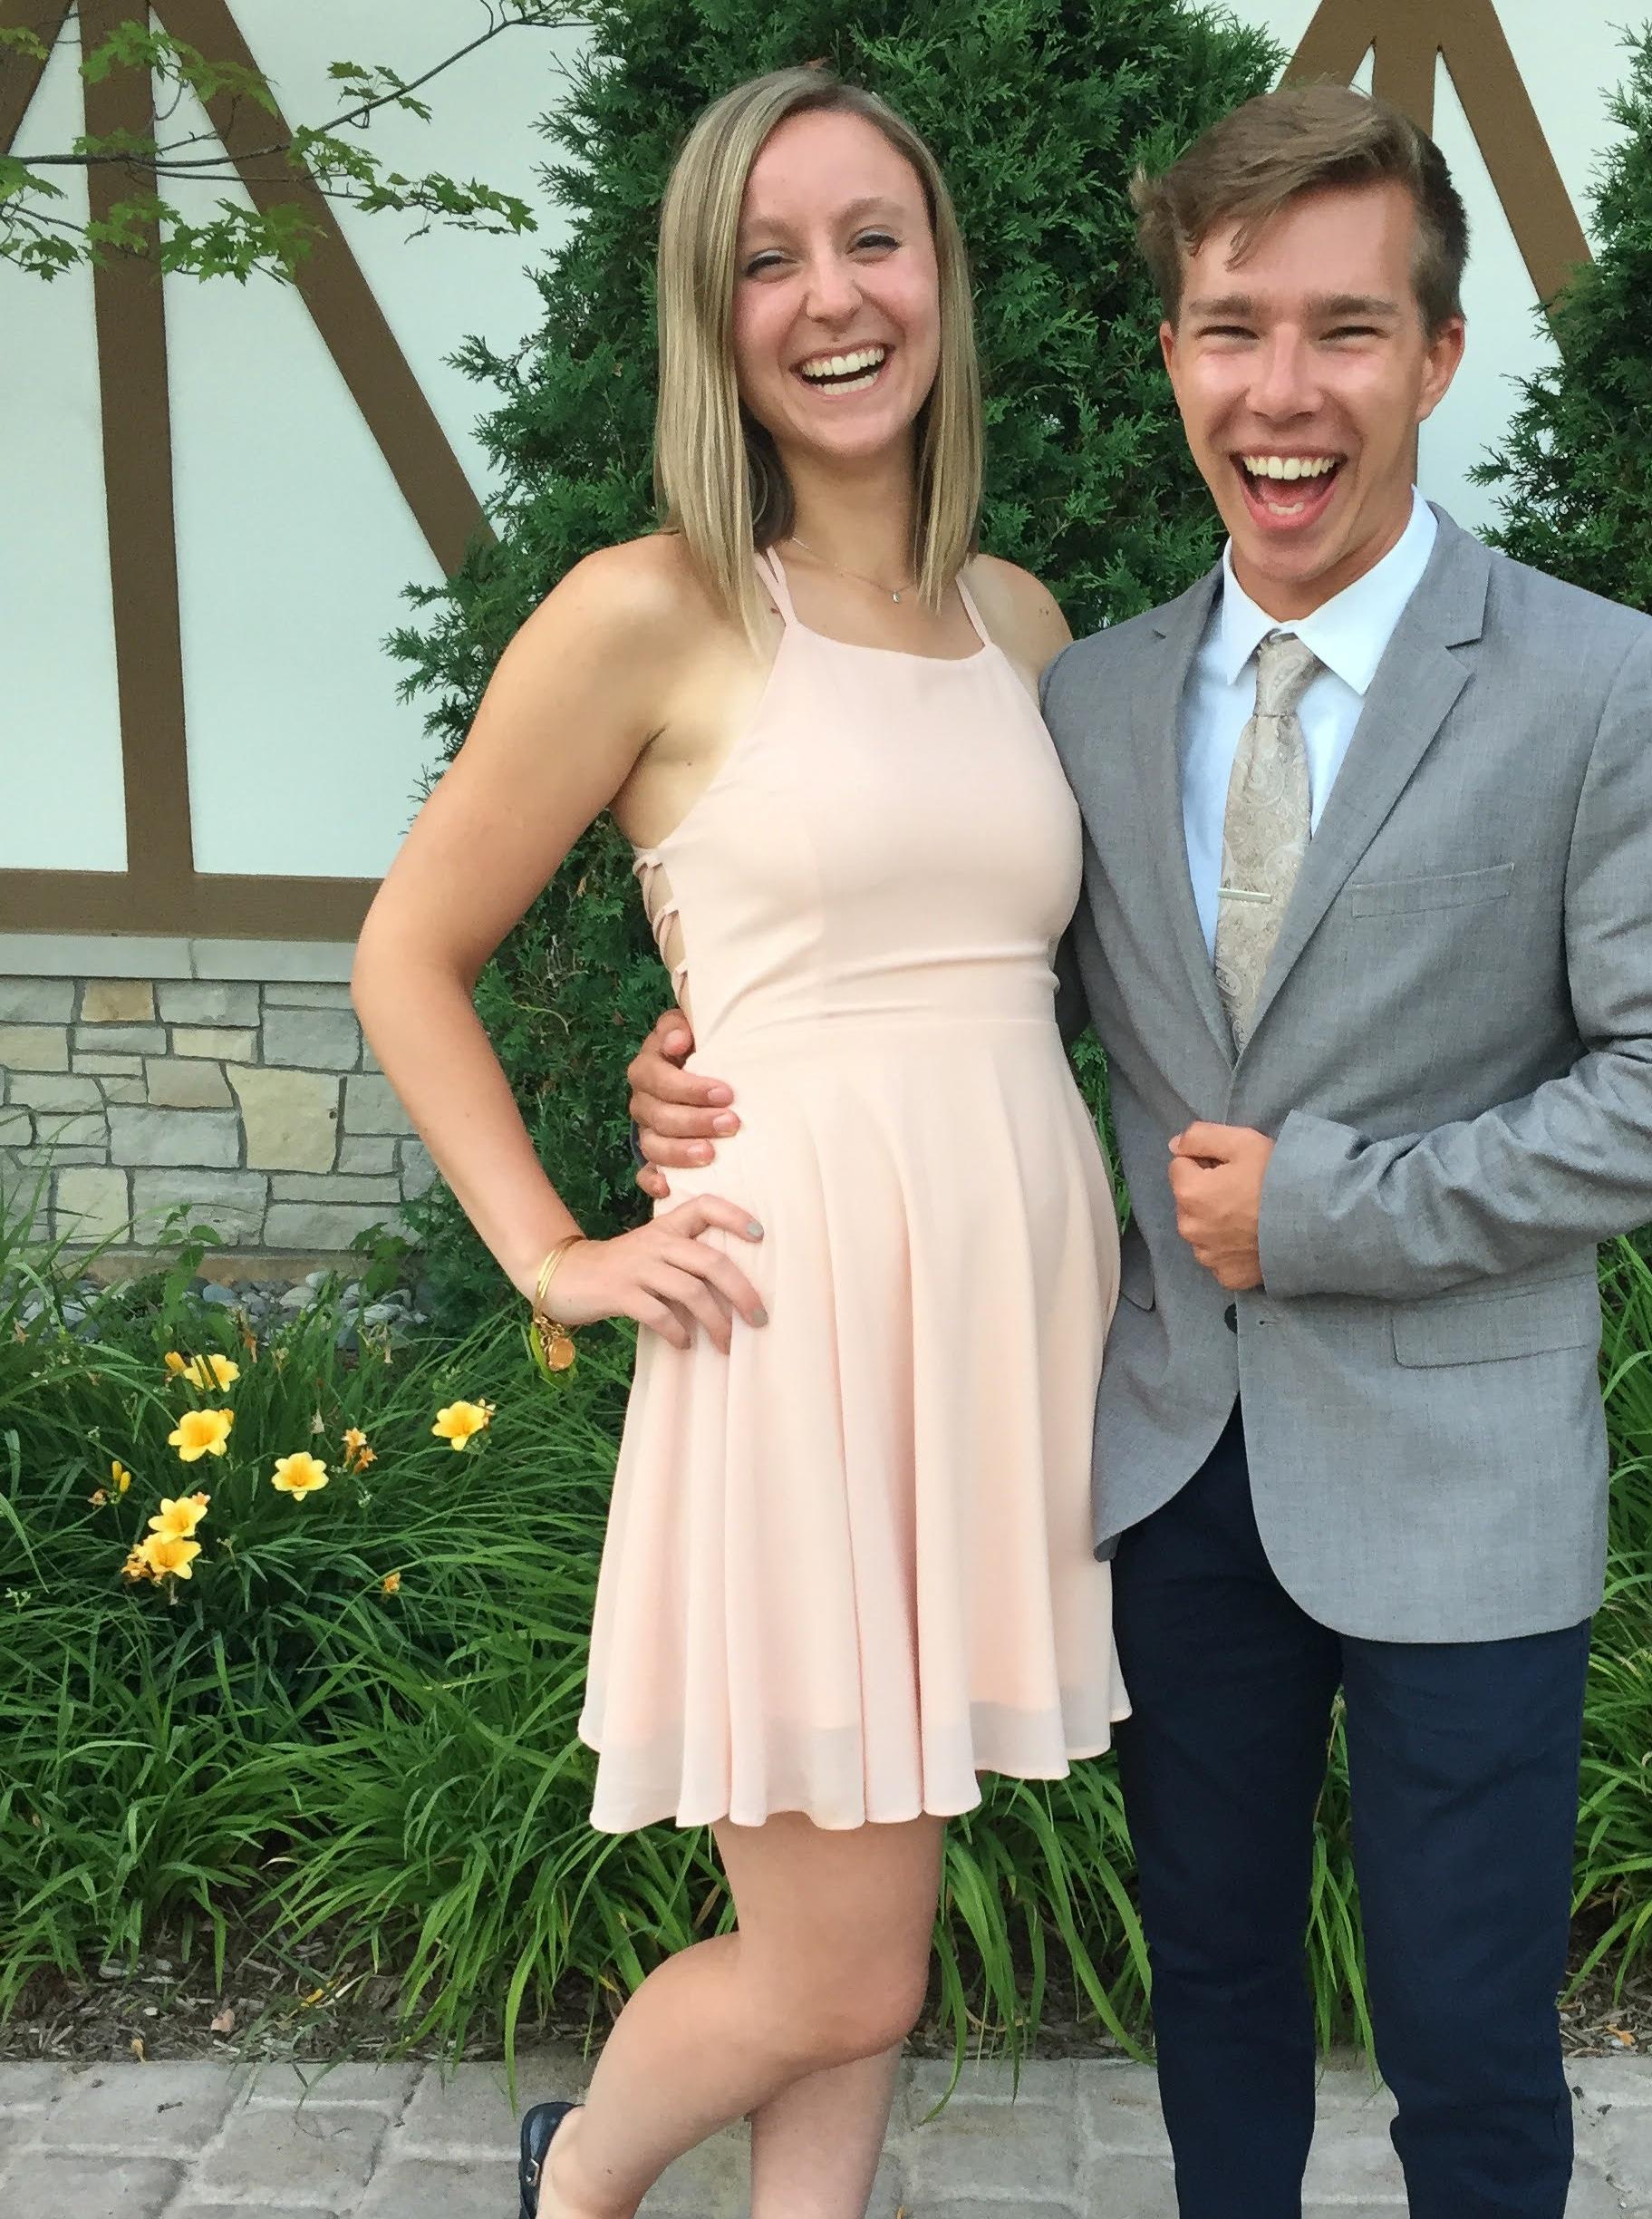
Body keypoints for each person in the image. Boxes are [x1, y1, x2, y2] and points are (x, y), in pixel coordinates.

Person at [632, 80, 1652, 2219]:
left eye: (1348, 329)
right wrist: (717, 1044)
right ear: (1172, 356)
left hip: (1466, 1481)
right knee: (1216, 1996)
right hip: (1167, 1467)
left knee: (1468, 2040)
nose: (1284, 388)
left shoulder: (1605, 684)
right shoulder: (1087, 696)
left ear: (1437, 355)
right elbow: (971, 984)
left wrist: (1331, 1210)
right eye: (1234, 328)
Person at [352, 67, 1125, 2219]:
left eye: (874, 239)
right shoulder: (654, 610)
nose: (833, 297)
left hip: (986, 1344)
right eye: (769, 261)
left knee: (876, 1929)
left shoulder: (1023, 623)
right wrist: (550, 1249)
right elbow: (409, 953)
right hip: (793, 1340)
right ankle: (576, 2182)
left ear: (943, 273)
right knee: (840, 1966)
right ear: (715, 317)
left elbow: (1008, 988)